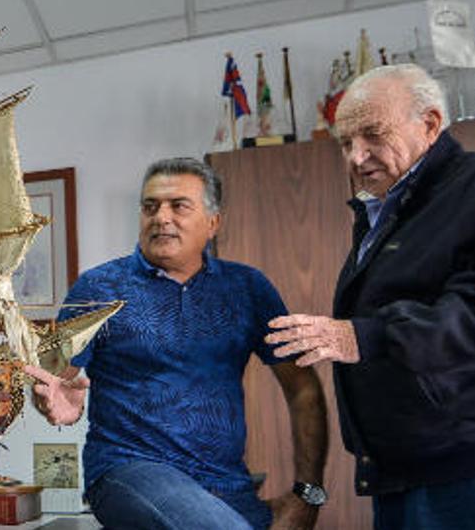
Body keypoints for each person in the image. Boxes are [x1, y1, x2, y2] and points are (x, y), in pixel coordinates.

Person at [266, 64, 475, 529]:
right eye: (345, 142)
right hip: (411, 477)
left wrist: (364, 337)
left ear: (429, 123)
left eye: (372, 134)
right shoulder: (390, 212)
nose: (355, 155)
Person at [26, 158, 328, 530]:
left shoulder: (248, 288)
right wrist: (49, 400)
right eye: (150, 206)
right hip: (127, 468)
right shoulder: (97, 289)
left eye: (179, 206)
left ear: (213, 223)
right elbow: (51, 379)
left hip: (226, 485)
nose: (161, 217)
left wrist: (309, 495)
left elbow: (302, 389)